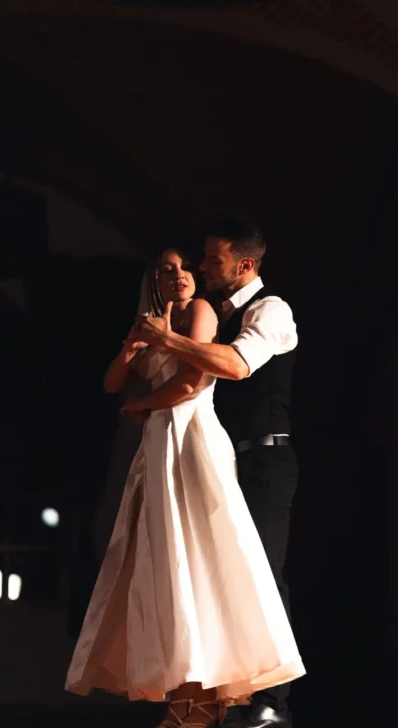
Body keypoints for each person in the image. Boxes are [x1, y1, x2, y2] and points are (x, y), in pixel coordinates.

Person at [65, 242, 305, 728]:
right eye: (167, 270)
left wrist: (142, 403)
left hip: (192, 436)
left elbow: (195, 382)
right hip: (158, 446)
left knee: (209, 556)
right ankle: (186, 689)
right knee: (166, 561)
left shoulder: (208, 311)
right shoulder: (158, 321)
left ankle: (237, 694)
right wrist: (133, 348)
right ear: (153, 280)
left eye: (189, 267)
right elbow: (112, 381)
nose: (181, 275)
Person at [135, 219, 299, 728]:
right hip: (217, 459)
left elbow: (235, 365)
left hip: (263, 459)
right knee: (214, 570)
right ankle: (218, 694)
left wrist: (168, 340)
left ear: (244, 264)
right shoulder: (211, 313)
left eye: (213, 260)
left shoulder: (270, 310)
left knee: (260, 570)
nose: (203, 268)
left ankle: (271, 701)